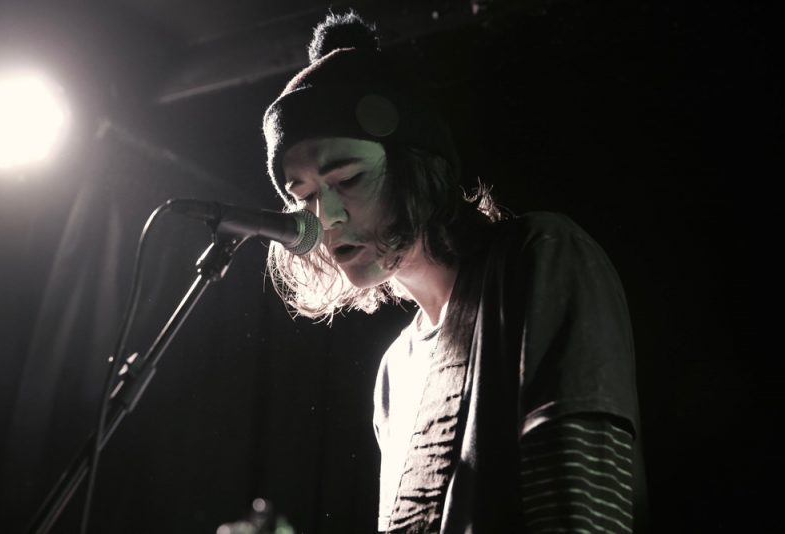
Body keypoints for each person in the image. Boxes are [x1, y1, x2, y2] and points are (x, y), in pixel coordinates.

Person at [263, 10, 648, 533]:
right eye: (303, 195)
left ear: (417, 167)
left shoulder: (541, 258)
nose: (324, 217)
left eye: (348, 179)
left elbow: (582, 515)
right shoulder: (393, 373)